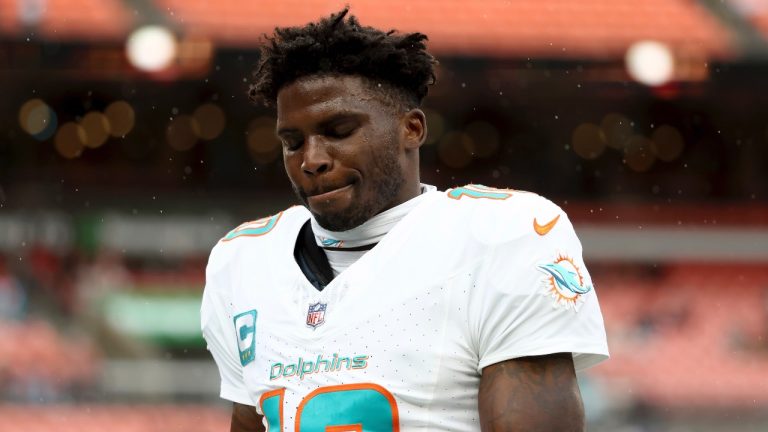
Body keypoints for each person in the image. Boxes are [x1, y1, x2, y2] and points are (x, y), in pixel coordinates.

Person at [201, 8, 608, 431]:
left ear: (411, 129)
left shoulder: (502, 235)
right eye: (293, 142)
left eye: (339, 131)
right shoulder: (242, 260)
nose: (312, 160)